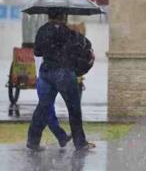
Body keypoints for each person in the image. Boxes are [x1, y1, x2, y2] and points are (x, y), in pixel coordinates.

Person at [27, 10, 95, 151]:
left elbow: (37, 52)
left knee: (43, 108)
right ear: (63, 17)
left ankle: (33, 142)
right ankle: (80, 143)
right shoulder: (67, 33)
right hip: (63, 73)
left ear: (49, 16)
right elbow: (82, 46)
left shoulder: (42, 30)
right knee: (74, 109)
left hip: (46, 72)